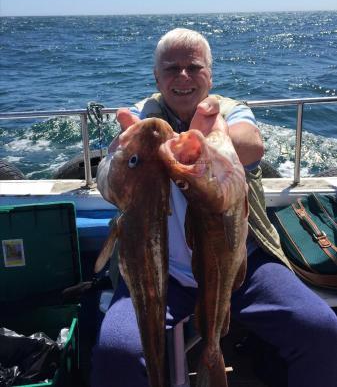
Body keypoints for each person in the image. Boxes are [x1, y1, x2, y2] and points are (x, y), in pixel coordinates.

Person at [91, 28, 337, 387]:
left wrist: (204, 140)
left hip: (242, 262)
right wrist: (131, 152)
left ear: (211, 73)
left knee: (320, 330)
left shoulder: (227, 110)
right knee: (117, 352)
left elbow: (251, 147)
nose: (183, 76)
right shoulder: (142, 115)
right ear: (156, 76)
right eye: (171, 68)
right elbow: (107, 180)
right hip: (160, 269)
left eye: (194, 66)